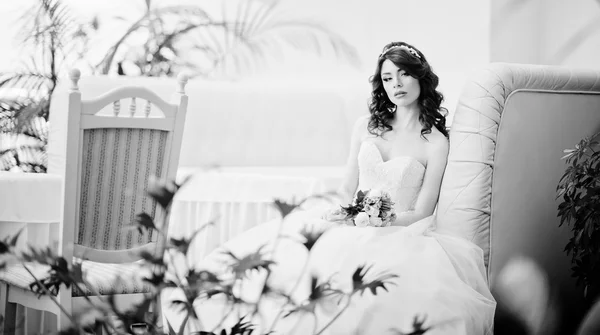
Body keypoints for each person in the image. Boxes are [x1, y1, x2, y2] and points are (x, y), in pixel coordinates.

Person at [192, 42, 496, 335]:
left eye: (404, 73)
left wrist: (382, 220)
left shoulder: (436, 142)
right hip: (351, 221)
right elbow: (347, 187)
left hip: (401, 233)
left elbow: (422, 212)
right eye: (388, 77)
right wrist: (343, 213)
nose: (396, 84)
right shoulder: (366, 126)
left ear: (421, 76)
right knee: (290, 266)